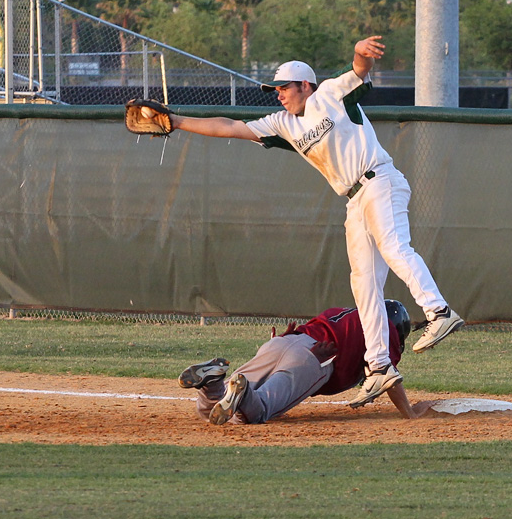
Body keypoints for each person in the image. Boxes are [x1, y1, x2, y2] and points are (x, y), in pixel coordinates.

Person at [165, 35, 463, 408]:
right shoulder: (283, 123)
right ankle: (379, 366)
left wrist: (359, 51)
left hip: (379, 180)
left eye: (284, 87)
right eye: (275, 89)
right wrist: (176, 121)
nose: (279, 94)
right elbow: (229, 126)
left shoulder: (329, 95)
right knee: (363, 285)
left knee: (393, 246)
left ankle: (438, 310)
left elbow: (359, 69)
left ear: (305, 84)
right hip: (354, 199)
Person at [179, 300, 435, 424]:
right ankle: (244, 393)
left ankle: (212, 384)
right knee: (254, 413)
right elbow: (386, 373)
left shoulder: (344, 313)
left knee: (209, 411)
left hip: (282, 343)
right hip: (314, 359)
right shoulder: (384, 326)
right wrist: (409, 413)